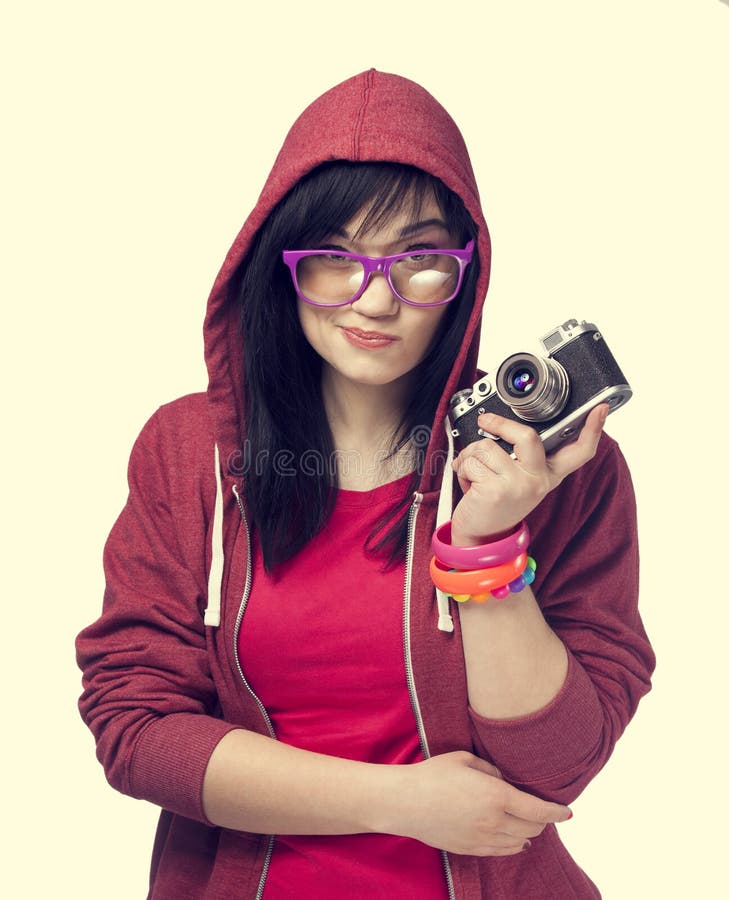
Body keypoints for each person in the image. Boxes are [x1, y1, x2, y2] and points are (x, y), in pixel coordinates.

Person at [76, 69, 655, 899]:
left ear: (466, 269)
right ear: (281, 267)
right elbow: (136, 733)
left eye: (418, 260)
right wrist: (402, 803)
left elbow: (557, 768)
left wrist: (485, 544)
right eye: (332, 260)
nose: (373, 300)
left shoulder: (551, 471)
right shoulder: (189, 450)